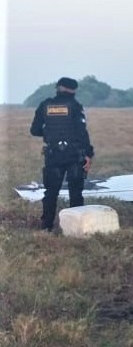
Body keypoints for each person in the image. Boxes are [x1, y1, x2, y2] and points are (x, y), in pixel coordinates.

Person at [29, 77, 95, 231]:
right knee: (75, 193)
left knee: (51, 192)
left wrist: (51, 134)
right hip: (74, 155)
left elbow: (34, 130)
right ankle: (76, 229)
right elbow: (82, 133)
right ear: (73, 90)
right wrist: (88, 154)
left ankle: (46, 227)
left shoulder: (45, 105)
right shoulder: (75, 106)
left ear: (58, 88)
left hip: (53, 155)